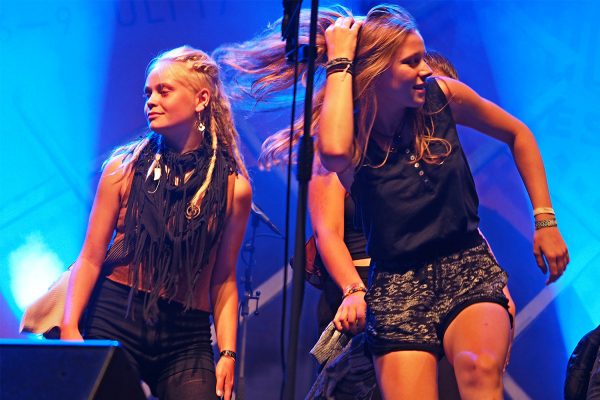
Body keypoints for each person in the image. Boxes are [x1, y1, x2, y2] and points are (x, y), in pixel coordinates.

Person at [217, 4, 568, 399]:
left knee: (478, 367)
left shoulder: (443, 96)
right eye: (412, 62)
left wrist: (545, 220)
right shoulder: (347, 134)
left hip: (465, 266)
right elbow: (332, 153)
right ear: (379, 71)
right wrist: (340, 61)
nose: (425, 70)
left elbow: (518, 134)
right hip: (396, 282)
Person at [60, 46, 252, 400]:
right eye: (148, 92)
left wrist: (227, 353)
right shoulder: (123, 169)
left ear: (201, 99)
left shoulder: (232, 188)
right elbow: (89, 257)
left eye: (164, 91)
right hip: (116, 316)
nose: (151, 100)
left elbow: (223, 277)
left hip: (186, 333)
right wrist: (71, 326)